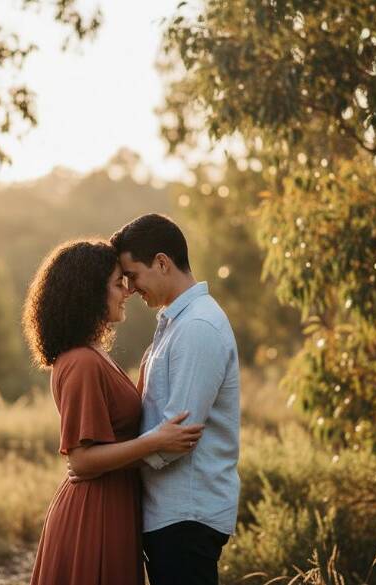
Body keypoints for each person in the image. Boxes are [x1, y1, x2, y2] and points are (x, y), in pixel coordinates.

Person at [23, 239, 204, 585]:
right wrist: (156, 441)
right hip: (95, 512)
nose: (127, 291)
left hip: (116, 503)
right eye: (118, 283)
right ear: (90, 292)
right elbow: (82, 461)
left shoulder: (94, 355)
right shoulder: (81, 362)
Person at [111, 213, 241, 585]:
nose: (131, 289)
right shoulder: (176, 324)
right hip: (170, 513)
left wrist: (103, 463)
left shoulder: (197, 327)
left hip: (186, 514)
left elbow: (175, 439)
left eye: (133, 275)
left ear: (162, 263)